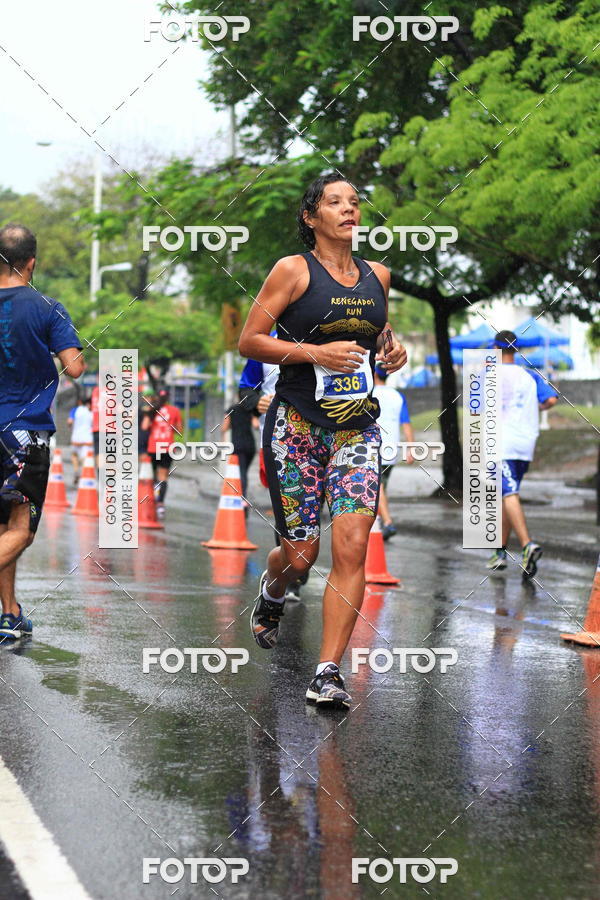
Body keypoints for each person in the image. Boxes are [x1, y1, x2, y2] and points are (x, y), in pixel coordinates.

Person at [238, 173, 407, 709]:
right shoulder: (292, 270)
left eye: (354, 203)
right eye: (335, 203)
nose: (348, 210)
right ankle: (272, 590)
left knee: (353, 545)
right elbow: (250, 340)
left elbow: (378, 333)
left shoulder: (377, 275)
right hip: (297, 427)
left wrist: (393, 349)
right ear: (312, 217)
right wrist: (316, 353)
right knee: (302, 555)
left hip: (357, 426)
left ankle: (328, 670)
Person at [0, 224, 83, 639]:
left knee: (4, 527)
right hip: (25, 433)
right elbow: (75, 367)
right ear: (31, 262)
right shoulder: (49, 307)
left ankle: (10, 614)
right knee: (23, 531)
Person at [487, 330, 558, 578]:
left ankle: (527, 545)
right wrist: (534, 406)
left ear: (496, 349)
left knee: (508, 493)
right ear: (515, 351)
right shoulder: (530, 376)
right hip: (525, 445)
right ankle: (500, 551)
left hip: (500, 444)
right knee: (507, 494)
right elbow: (551, 400)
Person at [372, 364, 414, 540]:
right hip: (392, 449)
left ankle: (388, 522)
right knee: (381, 488)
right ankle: (380, 523)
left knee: (376, 487)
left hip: (374, 446)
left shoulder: (370, 394)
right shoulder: (397, 395)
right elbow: (406, 423)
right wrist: (410, 448)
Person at [147, 388, 183, 519]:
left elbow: (145, 426)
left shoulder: (152, 409)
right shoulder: (175, 410)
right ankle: (160, 504)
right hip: (167, 447)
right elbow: (179, 430)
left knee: (152, 475)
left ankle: (151, 500)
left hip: (153, 446)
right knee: (163, 476)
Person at [68, 395, 93, 485]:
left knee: (74, 455)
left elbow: (70, 422)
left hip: (76, 438)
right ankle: (83, 475)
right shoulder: (91, 411)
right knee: (85, 459)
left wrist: (71, 428)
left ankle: (76, 471)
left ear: (79, 402)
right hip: (87, 439)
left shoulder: (75, 410)